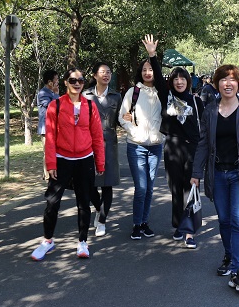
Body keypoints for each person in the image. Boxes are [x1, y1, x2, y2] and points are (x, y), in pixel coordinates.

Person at [191, 64, 239, 293]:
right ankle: (229, 255)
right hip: (217, 173)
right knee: (224, 220)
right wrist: (196, 173)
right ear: (217, 84)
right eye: (223, 79)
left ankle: (238, 270)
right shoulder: (210, 110)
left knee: (238, 221)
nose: (228, 83)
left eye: (232, 79)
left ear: (238, 83)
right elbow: (203, 143)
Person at [31, 68, 105, 261]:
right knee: (52, 202)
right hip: (61, 159)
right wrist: (51, 163)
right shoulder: (55, 105)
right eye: (72, 80)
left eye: (80, 80)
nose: (77, 83)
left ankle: (82, 241)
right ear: (65, 82)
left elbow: (97, 137)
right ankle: (48, 240)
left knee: (83, 203)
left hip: (84, 159)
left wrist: (100, 163)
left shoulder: (90, 106)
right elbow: (50, 137)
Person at [150, 53, 205, 249]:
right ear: (171, 82)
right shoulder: (167, 98)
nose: (179, 82)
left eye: (183, 78)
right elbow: (158, 78)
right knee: (175, 189)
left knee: (190, 189)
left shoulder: (197, 101)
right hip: (173, 147)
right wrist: (152, 56)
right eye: (176, 79)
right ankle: (179, 224)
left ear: (188, 81)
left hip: (192, 148)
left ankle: (189, 231)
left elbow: (203, 128)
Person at [120, 35, 165, 240]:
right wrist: (134, 131)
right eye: (145, 69)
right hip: (136, 146)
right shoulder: (133, 91)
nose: (148, 72)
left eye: (151, 69)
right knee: (141, 188)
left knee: (150, 188)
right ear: (140, 72)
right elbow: (122, 117)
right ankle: (137, 224)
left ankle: (145, 222)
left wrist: (160, 134)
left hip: (155, 146)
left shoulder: (162, 92)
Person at [82, 62, 122, 237]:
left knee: (107, 184)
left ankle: (102, 221)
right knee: (90, 183)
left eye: (109, 72)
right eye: (102, 72)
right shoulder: (85, 95)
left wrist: (128, 118)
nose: (106, 75)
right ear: (94, 75)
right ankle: (99, 208)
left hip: (109, 144)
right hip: (88, 145)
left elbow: (121, 120)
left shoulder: (116, 96)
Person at [36, 69, 59, 136]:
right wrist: (56, 94)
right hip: (47, 128)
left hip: (55, 126)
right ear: (49, 82)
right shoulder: (43, 93)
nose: (58, 81)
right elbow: (51, 107)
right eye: (56, 79)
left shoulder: (52, 92)